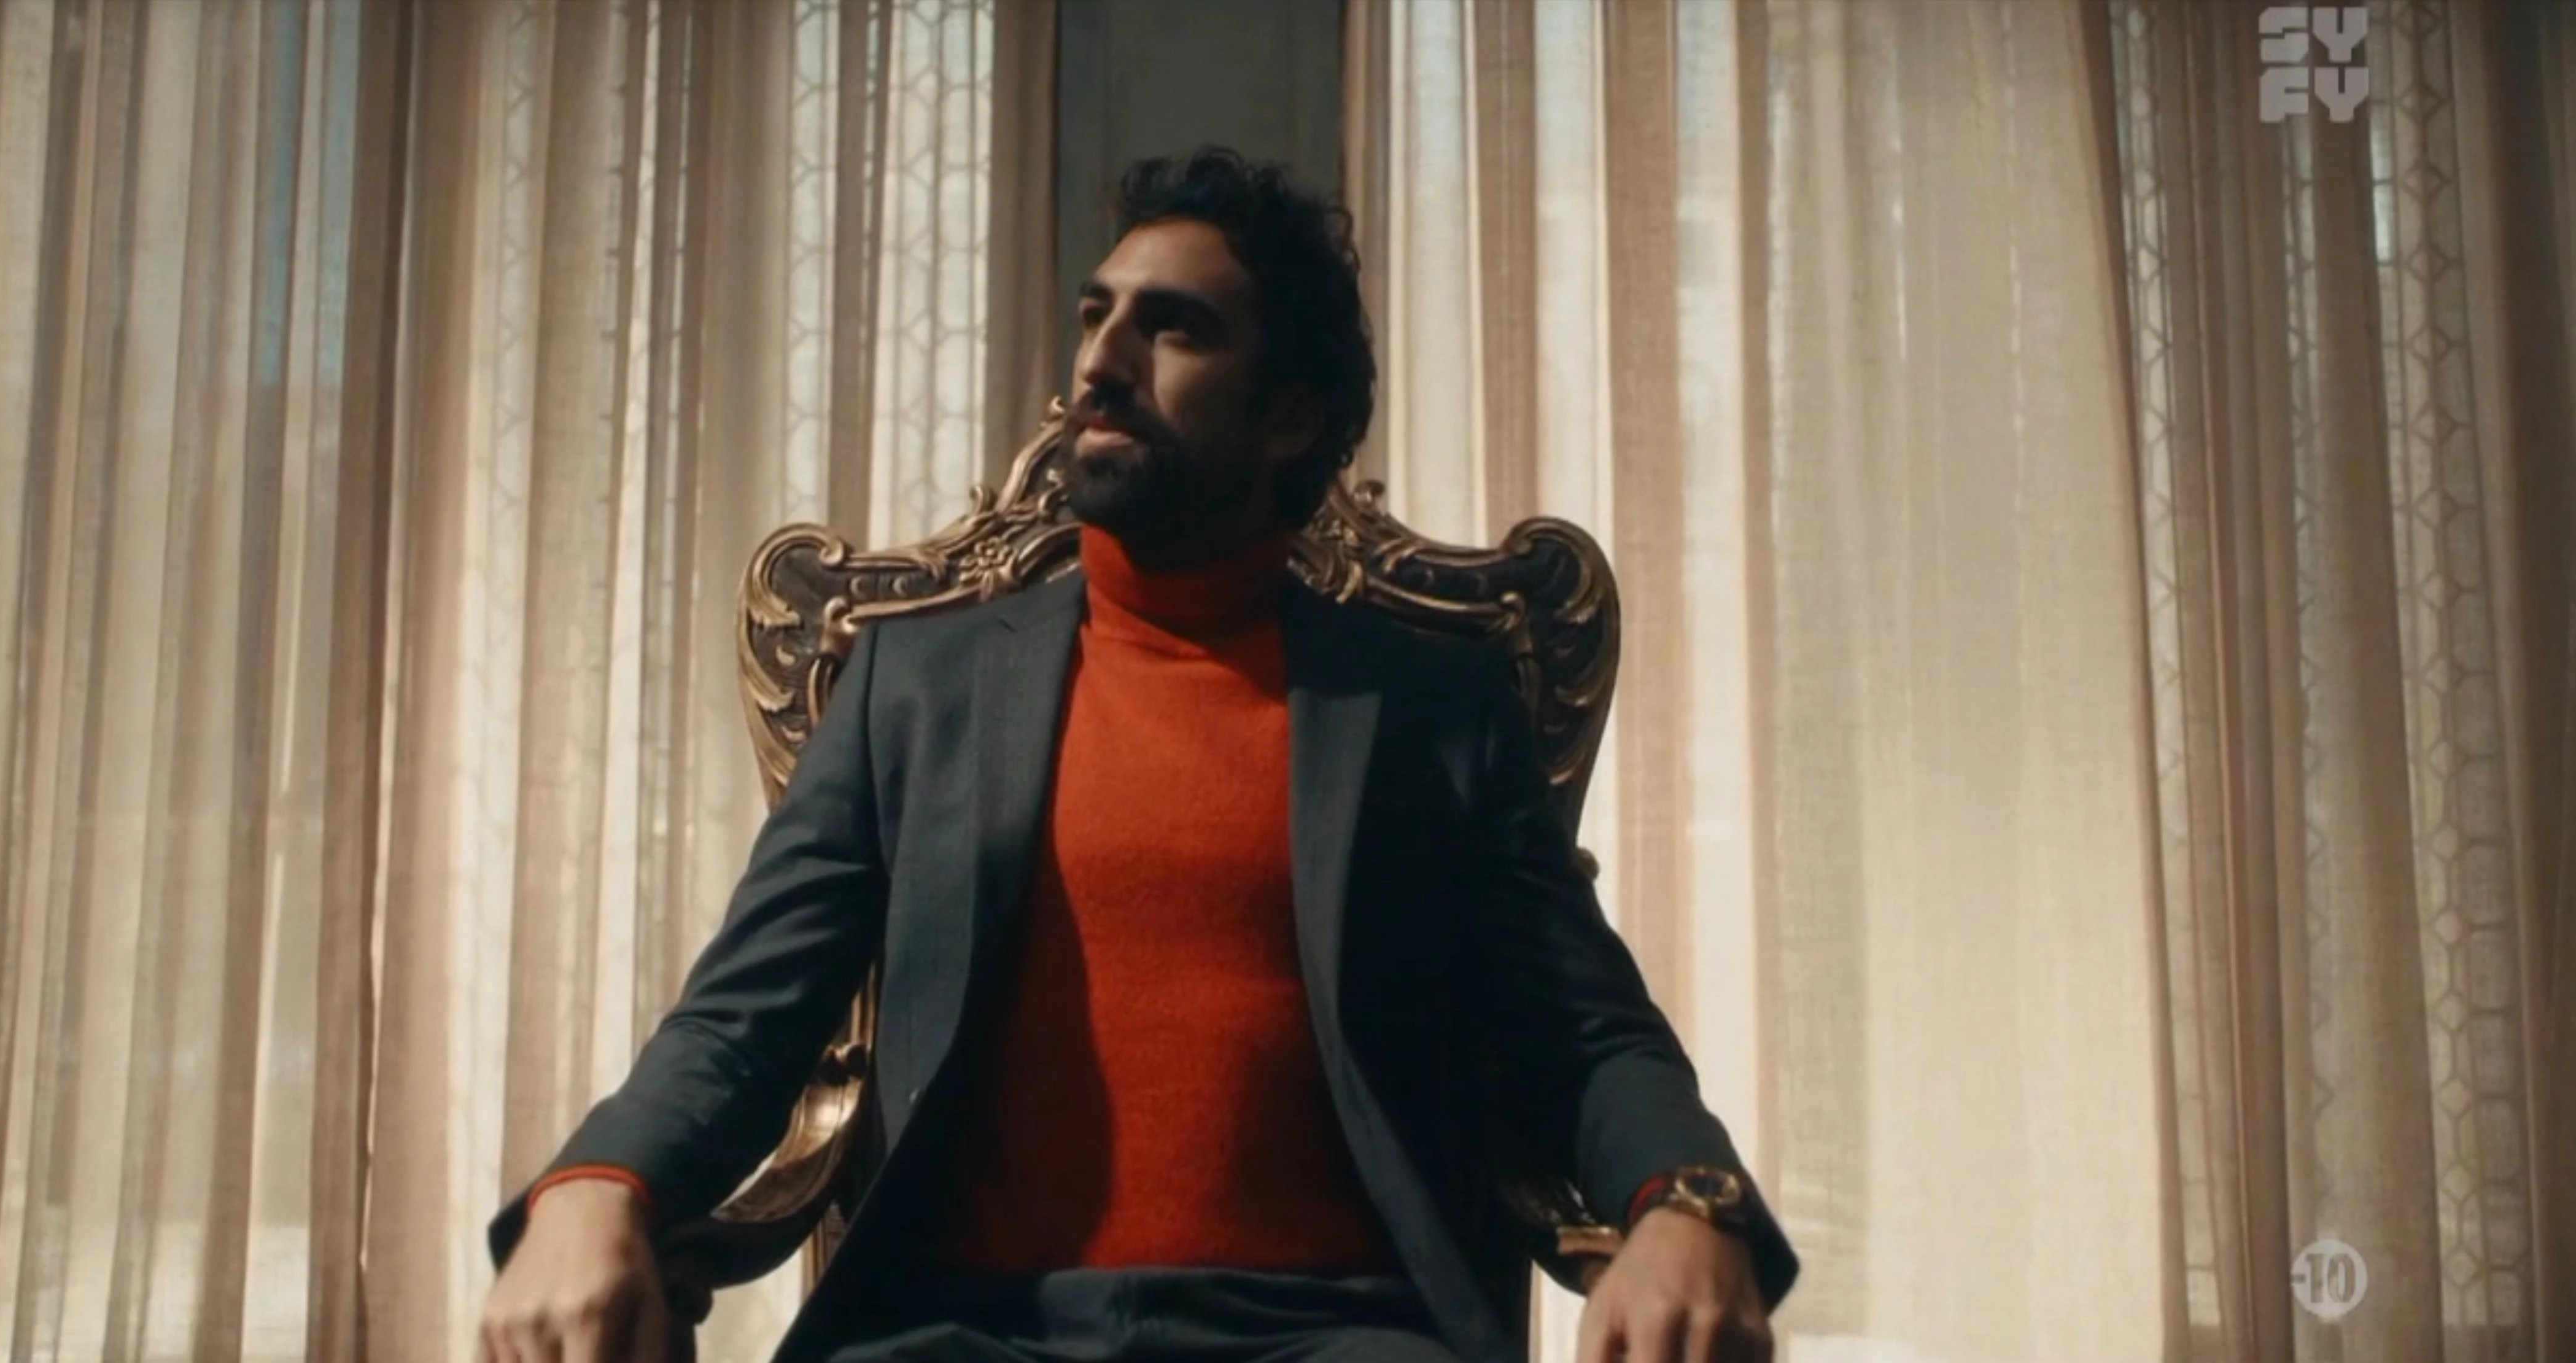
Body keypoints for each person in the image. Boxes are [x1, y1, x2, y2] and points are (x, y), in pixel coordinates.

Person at [476, 146, 1796, 1363]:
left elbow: (1586, 1033)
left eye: (1174, 328)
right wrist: (598, 1185)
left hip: (1332, 1336)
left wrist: (1688, 1205)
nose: (1101, 363)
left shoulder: (1430, 707)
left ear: (1289, 417)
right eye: (1096, 315)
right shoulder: (914, 689)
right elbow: (743, 1018)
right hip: (961, 1331)